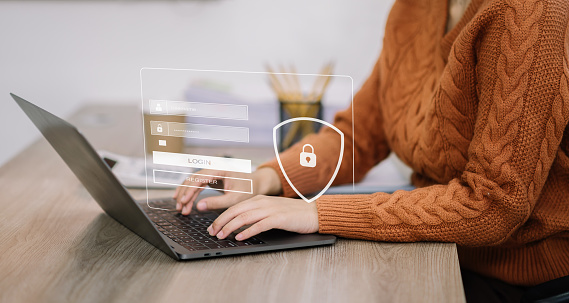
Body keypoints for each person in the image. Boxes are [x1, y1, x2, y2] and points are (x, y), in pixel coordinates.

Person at [175, 0, 569, 301]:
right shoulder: (416, 8)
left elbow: (493, 204)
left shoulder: (533, 14)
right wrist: (270, 176)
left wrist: (318, 212)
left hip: (524, 278)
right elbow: (360, 133)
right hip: (438, 250)